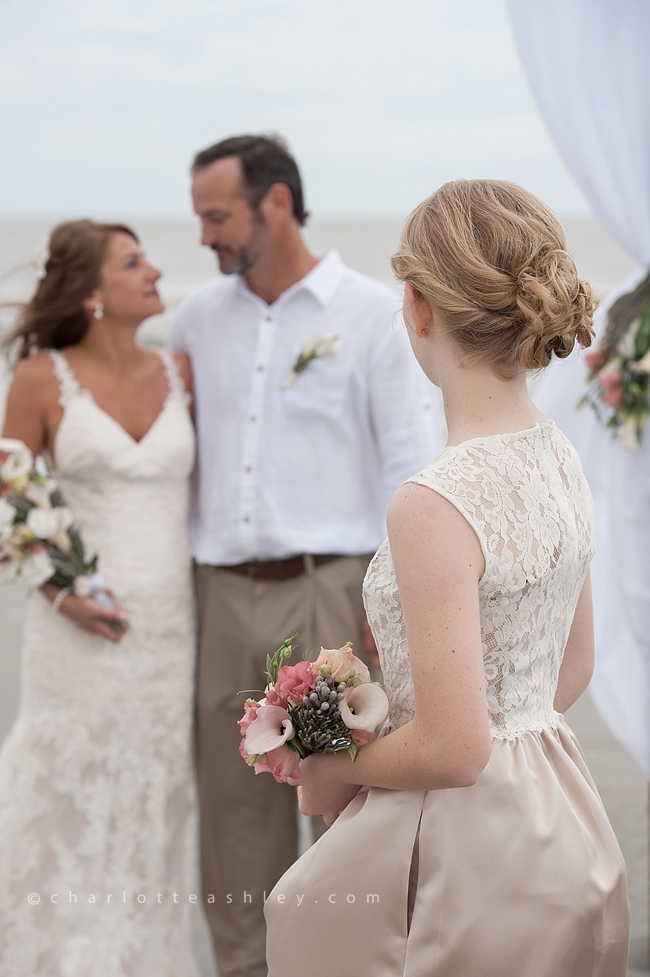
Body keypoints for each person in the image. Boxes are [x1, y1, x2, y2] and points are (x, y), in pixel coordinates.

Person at [264, 180, 630, 976]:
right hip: (558, 819)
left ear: (418, 307)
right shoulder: (558, 454)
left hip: (469, 858)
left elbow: (456, 748)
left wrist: (334, 761)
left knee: (302, 912)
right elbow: (569, 669)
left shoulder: (434, 502)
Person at [170, 133, 440, 977]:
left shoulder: (368, 315)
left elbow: (413, 465)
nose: (206, 235)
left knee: (347, 811)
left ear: (276, 203)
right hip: (217, 595)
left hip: (332, 594)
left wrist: (388, 605)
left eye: (217, 216)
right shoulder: (195, 319)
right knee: (233, 819)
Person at [0, 220, 199, 976]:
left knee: (153, 795)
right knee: (65, 789)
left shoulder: (180, 369)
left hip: (171, 632)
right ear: (90, 292)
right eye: (132, 261)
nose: (153, 271)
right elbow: (11, 501)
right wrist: (59, 593)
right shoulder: (41, 379)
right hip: (76, 635)